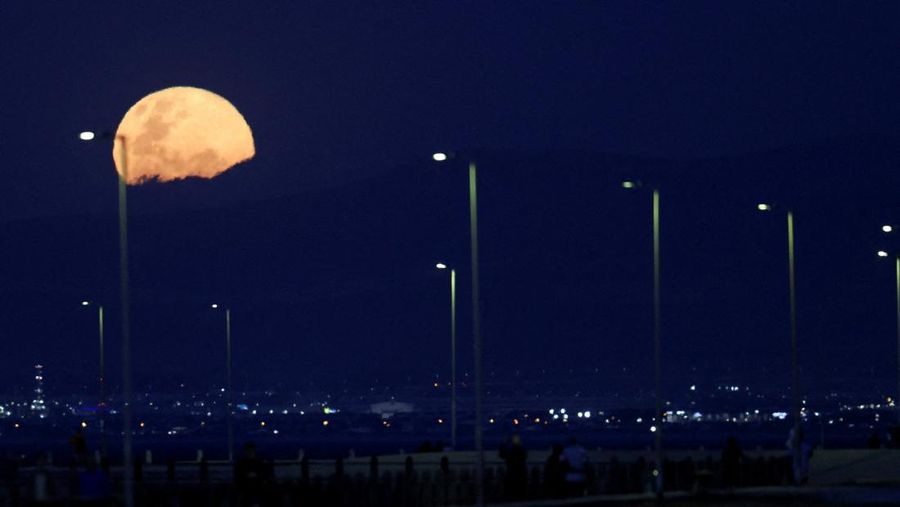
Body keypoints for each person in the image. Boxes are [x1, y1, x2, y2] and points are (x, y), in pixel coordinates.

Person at [498, 435, 528, 500]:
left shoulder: (513, 452)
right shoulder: (521, 451)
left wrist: (503, 444)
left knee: (512, 489)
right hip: (520, 473)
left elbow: (503, 455)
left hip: (513, 473)